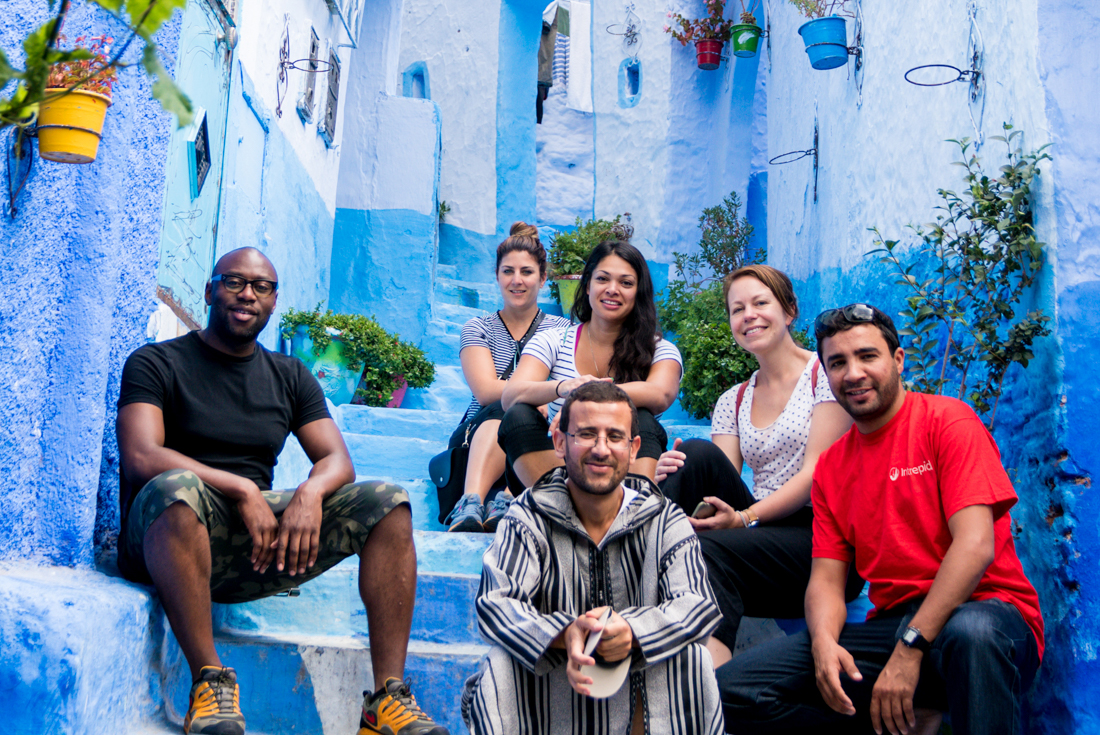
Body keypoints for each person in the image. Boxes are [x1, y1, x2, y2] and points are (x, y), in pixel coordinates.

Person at [115, 247, 447, 735]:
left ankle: (385, 700)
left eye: (262, 286)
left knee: (388, 503)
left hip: (256, 547)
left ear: (273, 302)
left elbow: (337, 461)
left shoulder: (290, 376)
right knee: (178, 488)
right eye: (234, 281)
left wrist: (310, 494)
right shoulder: (156, 363)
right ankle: (209, 682)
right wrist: (242, 489)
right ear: (209, 291)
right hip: (165, 539)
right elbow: (141, 455)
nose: (248, 293)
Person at [719, 303, 1043, 735]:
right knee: (732, 688)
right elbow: (826, 582)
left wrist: (910, 650)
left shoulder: (948, 422)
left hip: (985, 617)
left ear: (897, 360)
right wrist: (824, 646)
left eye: (867, 356)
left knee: (972, 633)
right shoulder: (833, 467)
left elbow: (975, 545)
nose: (853, 373)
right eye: (837, 362)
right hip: (893, 626)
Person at [461, 381, 725, 735]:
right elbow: (496, 606)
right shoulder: (529, 516)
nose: (601, 449)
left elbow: (697, 605)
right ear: (559, 442)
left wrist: (631, 631)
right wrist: (566, 633)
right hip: (555, 692)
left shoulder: (665, 518)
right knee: (502, 665)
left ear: (633, 449)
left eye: (615, 437)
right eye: (586, 434)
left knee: (693, 660)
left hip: (639, 693)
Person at [655, 264, 862, 669]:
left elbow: (814, 474)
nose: (748, 315)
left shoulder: (826, 375)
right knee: (693, 455)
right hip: (764, 533)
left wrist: (746, 518)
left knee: (706, 551)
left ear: (788, 311)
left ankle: (714, 682)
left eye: (760, 303)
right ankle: (639, 566)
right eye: (737, 309)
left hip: (824, 541)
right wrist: (672, 469)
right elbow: (719, 487)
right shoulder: (733, 399)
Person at [499, 240, 682, 490]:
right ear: (587, 285)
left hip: (622, 475)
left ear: (638, 292)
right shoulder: (554, 340)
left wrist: (585, 398)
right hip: (560, 470)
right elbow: (511, 394)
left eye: (626, 283)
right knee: (518, 416)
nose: (612, 289)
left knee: (642, 418)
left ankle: (633, 512)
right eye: (603, 279)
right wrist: (564, 387)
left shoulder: (660, 350)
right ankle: (559, 506)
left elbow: (660, 394)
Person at [444, 222, 572, 533]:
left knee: (521, 411)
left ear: (542, 279)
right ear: (497, 276)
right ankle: (470, 501)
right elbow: (487, 391)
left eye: (527, 272)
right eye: (508, 271)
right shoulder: (478, 328)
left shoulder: (563, 330)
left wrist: (533, 399)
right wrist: (535, 393)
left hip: (539, 435)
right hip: (477, 438)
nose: (517, 281)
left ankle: (508, 498)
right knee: (508, 403)